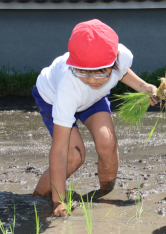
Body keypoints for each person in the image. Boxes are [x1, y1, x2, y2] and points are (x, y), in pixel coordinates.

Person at [31, 19, 159, 216]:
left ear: (113, 62)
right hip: (53, 98)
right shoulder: (69, 84)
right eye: (84, 72)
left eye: (100, 73)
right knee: (74, 155)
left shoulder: (121, 57)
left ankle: (104, 194)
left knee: (107, 143)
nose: (91, 80)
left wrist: (145, 87)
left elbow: (122, 72)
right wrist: (59, 202)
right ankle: (38, 196)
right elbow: (59, 150)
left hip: (92, 99)